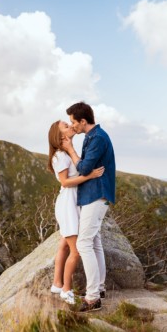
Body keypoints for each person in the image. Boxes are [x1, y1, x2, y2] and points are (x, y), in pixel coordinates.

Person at [63, 102, 115, 312]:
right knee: (94, 242)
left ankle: (93, 297)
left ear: (83, 121)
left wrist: (70, 149)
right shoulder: (93, 137)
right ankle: (99, 288)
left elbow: (84, 168)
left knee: (84, 243)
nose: (72, 125)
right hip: (93, 195)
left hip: (96, 194)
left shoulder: (98, 138)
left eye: (73, 122)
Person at [48, 120, 105, 304]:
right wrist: (89, 175)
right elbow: (65, 182)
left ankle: (57, 284)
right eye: (66, 126)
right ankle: (66, 289)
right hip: (68, 204)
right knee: (76, 251)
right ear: (60, 136)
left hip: (73, 202)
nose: (71, 126)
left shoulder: (65, 153)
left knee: (64, 245)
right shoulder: (60, 156)